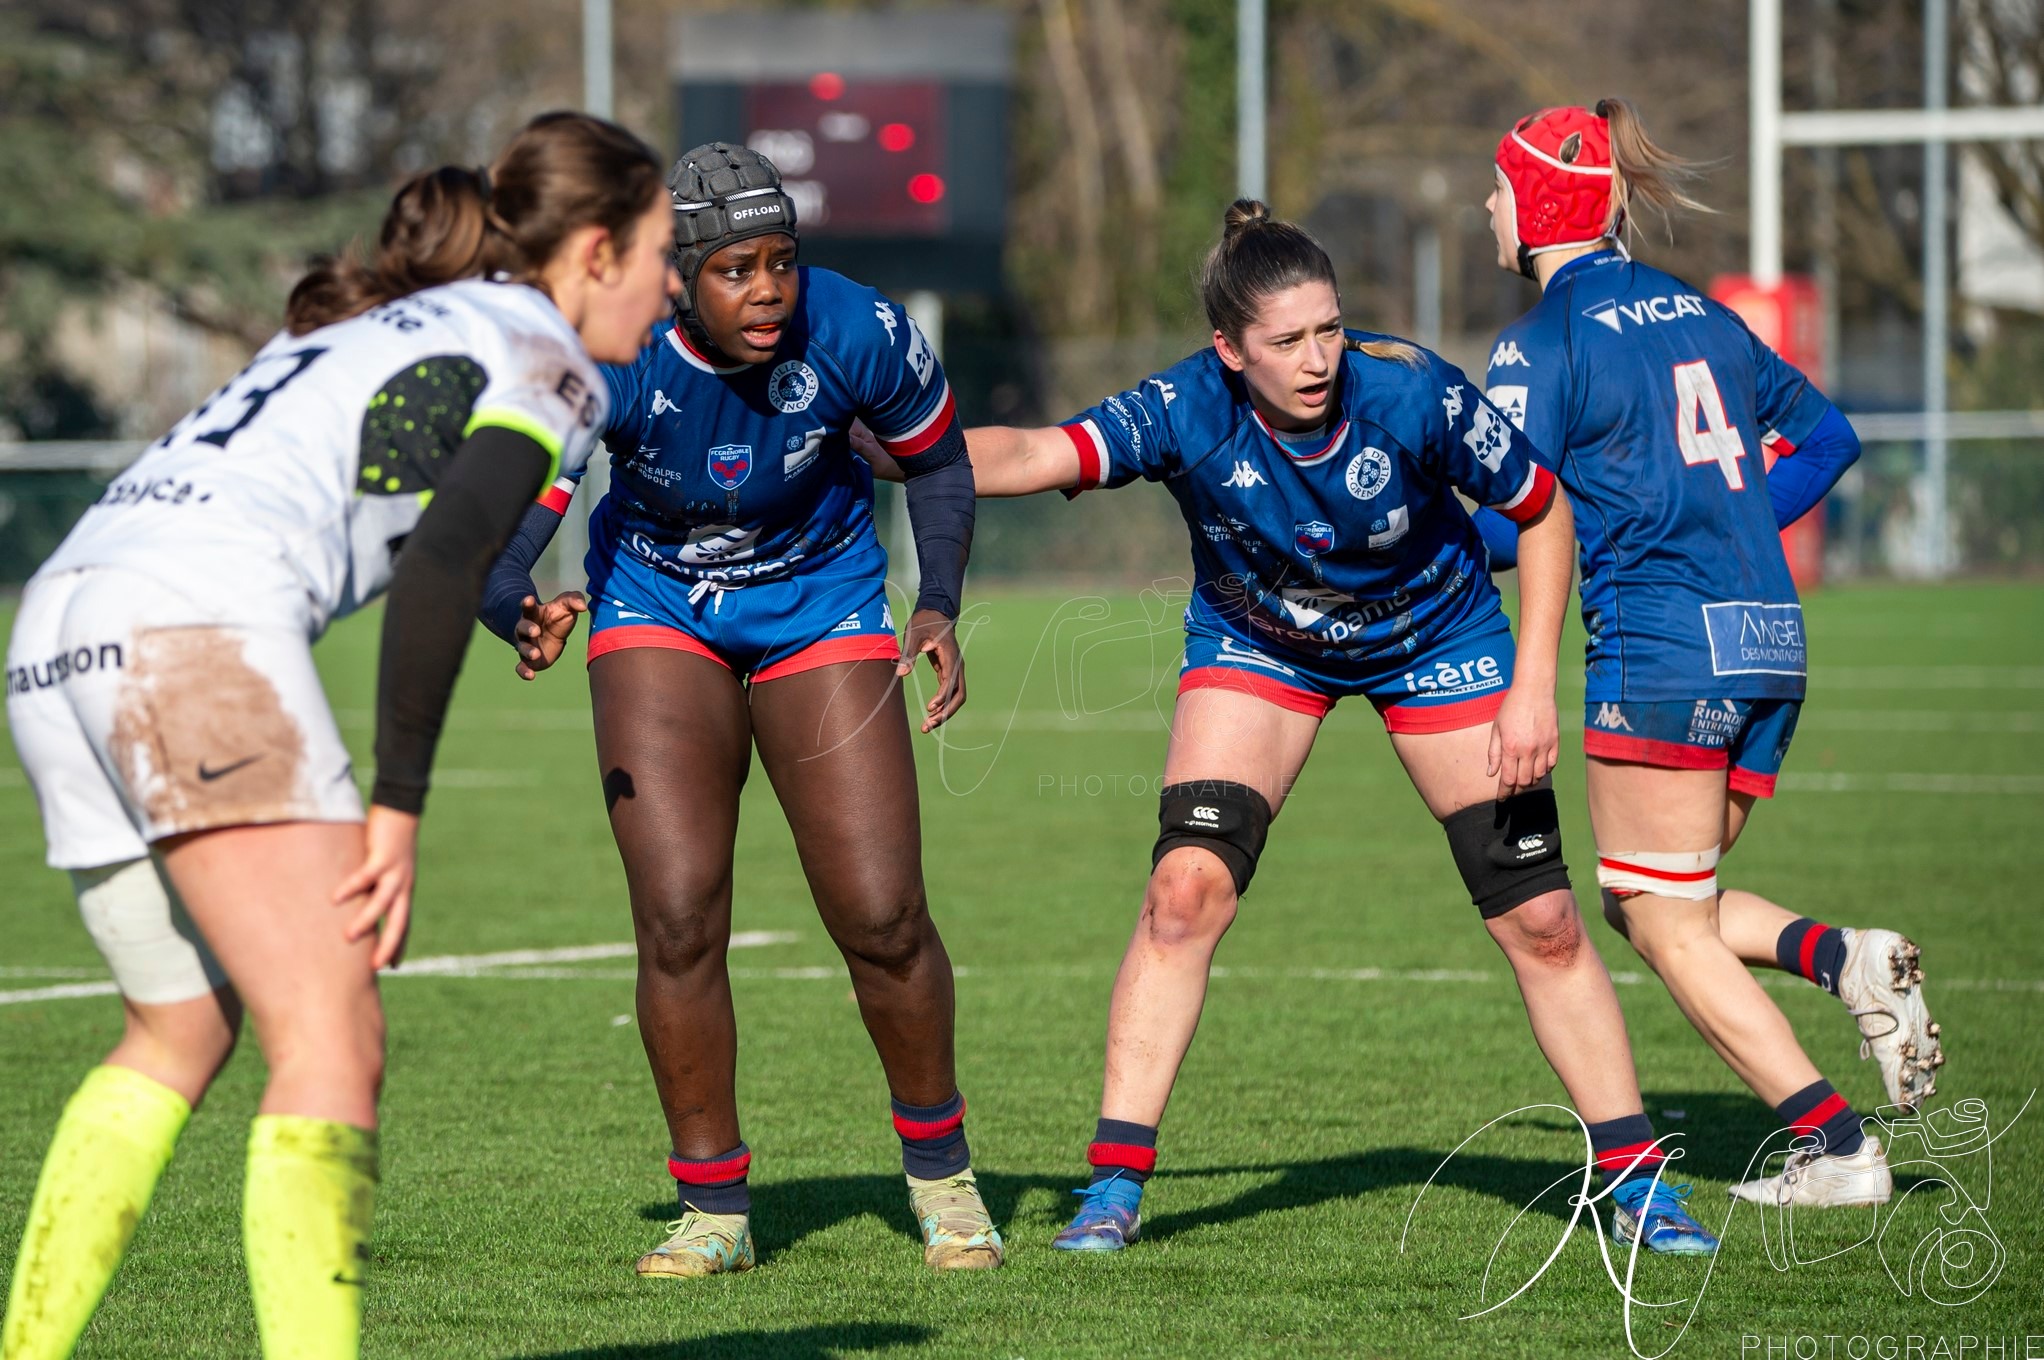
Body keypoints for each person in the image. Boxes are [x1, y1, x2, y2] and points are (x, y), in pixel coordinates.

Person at [913, 200, 1719, 1256]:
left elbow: (1543, 508)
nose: (1318, 358)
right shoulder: (1186, 404)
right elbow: (1028, 451)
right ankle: (1112, 1187)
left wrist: (1530, 688)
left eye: (1328, 328)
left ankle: (1635, 1178)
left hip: (1437, 639)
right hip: (1261, 648)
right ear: (1228, 350)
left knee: (1543, 923)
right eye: (1286, 340)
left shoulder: (1411, 391)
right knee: (1181, 894)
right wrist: (869, 453)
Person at [1, 113, 677, 1359]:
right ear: (591, 251)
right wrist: (398, 807)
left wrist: (503, 600)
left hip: (55, 622)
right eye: (657, 252)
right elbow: (434, 563)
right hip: (190, 637)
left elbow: (401, 510)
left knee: (179, 1027)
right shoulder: (549, 354)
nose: (671, 282)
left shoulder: (379, 322)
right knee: (332, 1036)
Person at [477, 142, 999, 1277]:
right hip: (656, 606)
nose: (767, 291)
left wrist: (940, 604)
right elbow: (518, 511)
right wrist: (513, 603)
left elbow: (941, 464)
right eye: (734, 270)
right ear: (679, 278)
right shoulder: (608, 354)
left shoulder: (857, 327)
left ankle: (944, 1180)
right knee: (675, 912)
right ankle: (713, 1206)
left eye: (782, 262)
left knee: (882, 913)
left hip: (821, 605)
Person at [1478, 98, 1940, 1209]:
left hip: (1663, 644)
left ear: (1535, 208)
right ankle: (1844, 959)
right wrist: (1729, 525)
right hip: (1769, 636)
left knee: (1665, 920)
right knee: (1659, 899)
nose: (1485, 206)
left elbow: (1507, 525)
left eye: (1495, 188)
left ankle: (1835, 1147)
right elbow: (1830, 437)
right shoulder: (1697, 311)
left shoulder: (1539, 341)